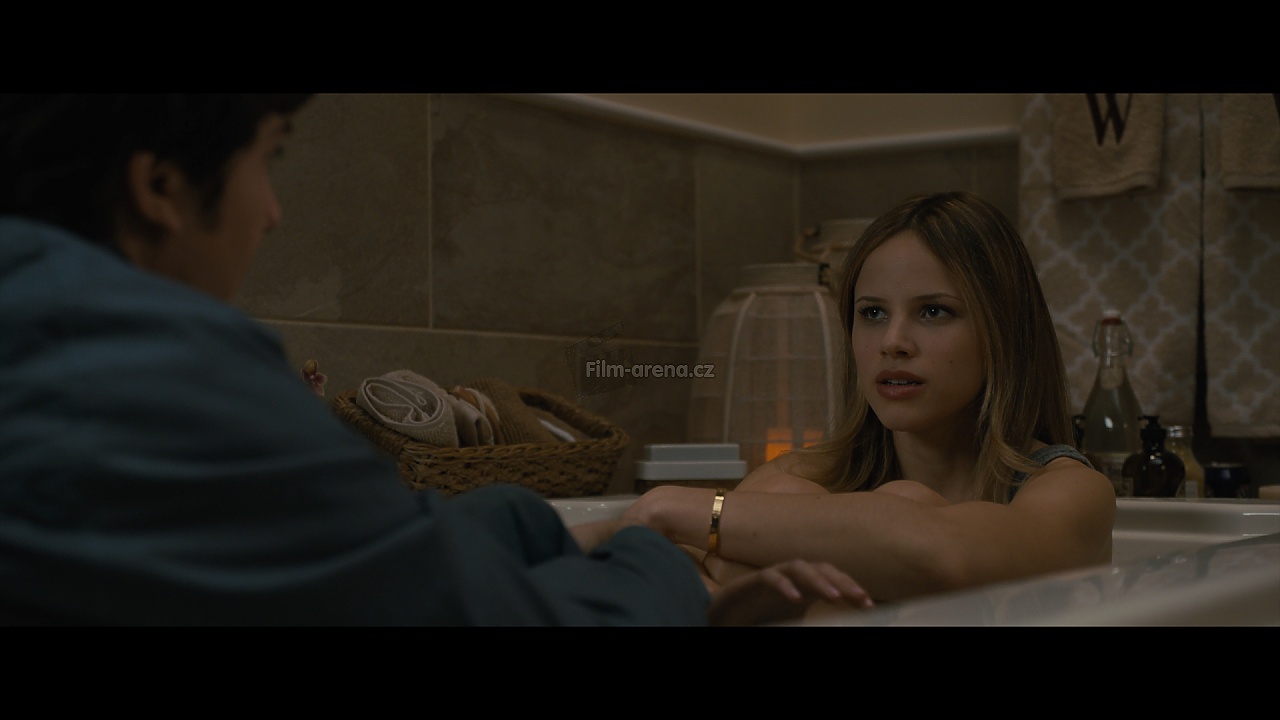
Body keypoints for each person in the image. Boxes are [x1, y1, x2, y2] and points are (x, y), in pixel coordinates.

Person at [0, 94, 872, 626]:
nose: (273, 214)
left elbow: (360, 552)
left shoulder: (52, 338)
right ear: (159, 186)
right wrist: (657, 564)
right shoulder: (158, 383)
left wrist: (552, 528)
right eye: (269, 160)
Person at [573, 190, 1117, 608]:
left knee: (904, 502)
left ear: (1004, 331)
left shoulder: (1071, 491)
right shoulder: (803, 476)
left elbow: (944, 555)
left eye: (933, 311)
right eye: (872, 313)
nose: (892, 342)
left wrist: (673, 507)